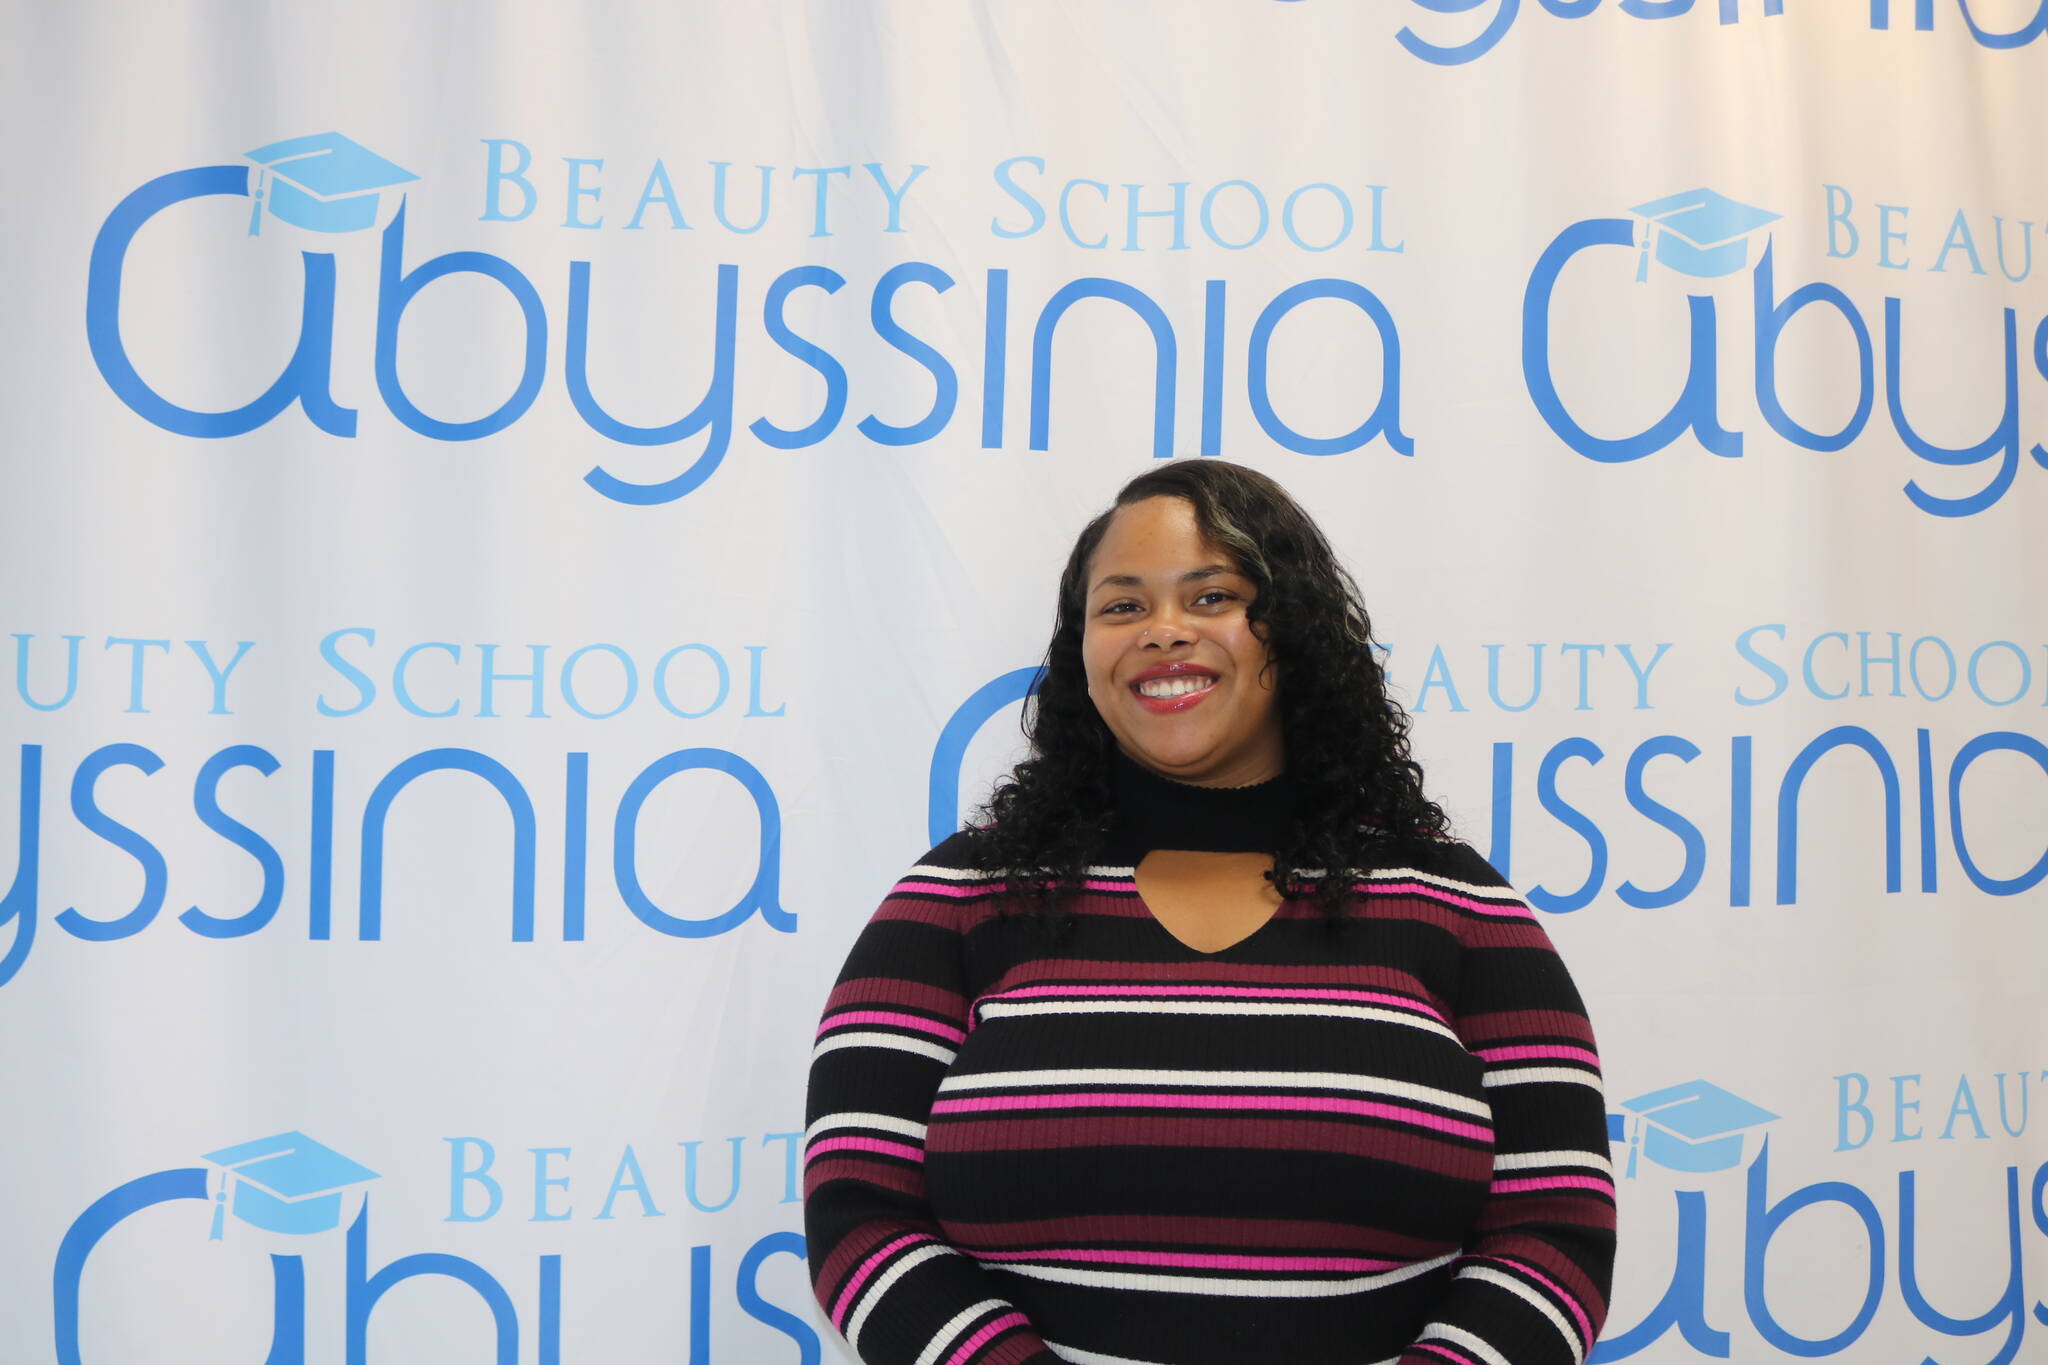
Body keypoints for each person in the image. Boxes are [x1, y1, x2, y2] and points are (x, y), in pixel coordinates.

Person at [804, 462, 1614, 1365]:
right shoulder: (957, 897)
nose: (1163, 630)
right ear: (1082, 651)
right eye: (1122, 605)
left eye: (1212, 595)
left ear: (1293, 629)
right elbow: (858, 1214)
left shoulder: (1458, 905)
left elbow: (1556, 1230)